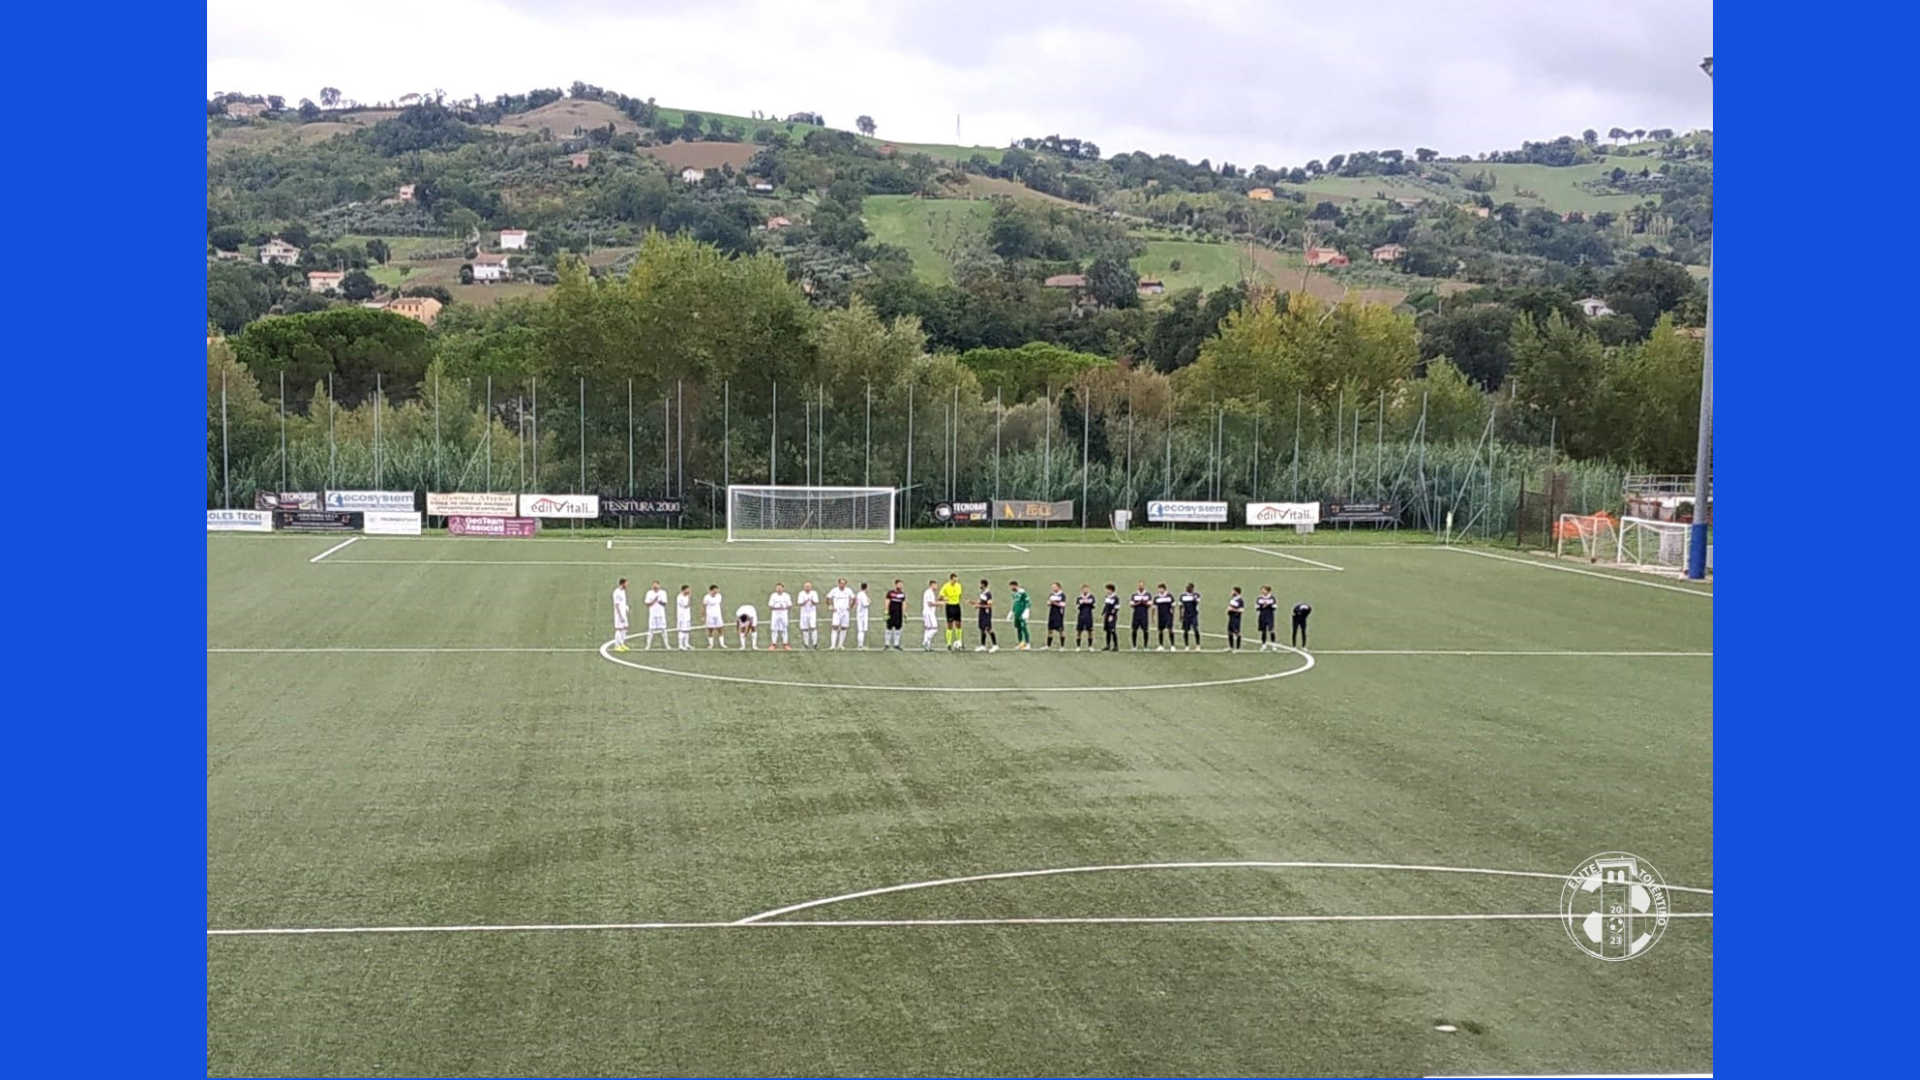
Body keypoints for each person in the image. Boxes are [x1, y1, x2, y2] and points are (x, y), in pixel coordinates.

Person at [939, 573, 966, 650]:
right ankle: (949, 643)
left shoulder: (958, 585)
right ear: (950, 579)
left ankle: (959, 642)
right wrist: (945, 599)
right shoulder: (946, 586)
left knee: (958, 624)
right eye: (954, 580)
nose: (955, 581)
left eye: (956, 580)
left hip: (957, 606)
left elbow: (959, 595)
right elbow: (940, 597)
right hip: (949, 606)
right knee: (950, 625)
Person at [826, 578, 854, 650]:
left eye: (844, 583)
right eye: (841, 583)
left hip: (845, 612)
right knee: (835, 627)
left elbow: (854, 598)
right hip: (837, 612)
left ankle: (840, 645)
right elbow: (828, 598)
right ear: (838, 583)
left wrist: (850, 606)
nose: (842, 585)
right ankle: (832, 645)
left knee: (844, 627)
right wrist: (830, 606)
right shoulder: (834, 590)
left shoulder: (848, 590)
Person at [973, 578, 999, 652]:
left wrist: (979, 606)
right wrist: (975, 603)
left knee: (988, 629)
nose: (980, 585)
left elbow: (989, 606)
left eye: (981, 584)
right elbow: (981, 602)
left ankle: (995, 645)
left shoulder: (988, 594)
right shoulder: (982, 592)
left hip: (986, 614)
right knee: (982, 629)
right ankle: (983, 645)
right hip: (981, 613)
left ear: (983, 585)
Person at [643, 580, 669, 650]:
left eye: (656, 586)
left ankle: (667, 645)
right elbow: (647, 604)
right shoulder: (649, 593)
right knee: (651, 630)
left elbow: (664, 603)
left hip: (661, 614)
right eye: (654, 586)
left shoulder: (663, 593)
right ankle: (648, 646)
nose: (655, 587)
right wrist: (654, 600)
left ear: (659, 586)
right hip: (653, 614)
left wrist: (659, 601)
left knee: (663, 629)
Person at [766, 583, 793, 650]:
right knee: (774, 628)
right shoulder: (773, 595)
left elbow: (789, 605)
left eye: (780, 588)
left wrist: (783, 606)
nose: (779, 589)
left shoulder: (787, 595)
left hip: (784, 613)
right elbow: (770, 605)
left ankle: (785, 644)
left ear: (783, 588)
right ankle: (773, 644)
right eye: (777, 588)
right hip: (775, 614)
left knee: (784, 628)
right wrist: (777, 606)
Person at [796, 580, 821, 649]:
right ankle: (806, 643)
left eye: (809, 586)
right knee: (805, 628)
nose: (807, 588)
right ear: (804, 587)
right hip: (804, 613)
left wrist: (812, 601)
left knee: (813, 627)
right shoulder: (801, 593)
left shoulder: (814, 593)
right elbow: (800, 603)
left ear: (811, 587)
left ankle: (815, 643)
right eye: (806, 586)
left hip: (812, 613)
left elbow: (816, 603)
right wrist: (805, 601)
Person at [1179, 582, 1202, 651]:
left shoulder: (1196, 595)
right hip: (1186, 615)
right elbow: (1181, 606)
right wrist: (1181, 615)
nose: (1188, 588)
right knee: (1185, 631)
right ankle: (1186, 645)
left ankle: (1198, 645)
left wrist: (1193, 597)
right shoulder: (1182, 596)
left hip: (1193, 614)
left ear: (1192, 588)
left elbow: (1197, 603)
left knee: (1195, 629)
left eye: (1189, 587)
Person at [885, 580, 907, 650]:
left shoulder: (902, 594)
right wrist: (886, 612)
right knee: (889, 628)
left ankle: (896, 644)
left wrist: (904, 613)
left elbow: (904, 604)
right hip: (891, 613)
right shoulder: (890, 593)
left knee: (898, 628)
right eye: (899, 584)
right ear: (896, 585)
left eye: (901, 584)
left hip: (898, 614)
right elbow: (887, 602)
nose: (900, 586)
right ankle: (887, 644)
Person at [1129, 582, 1152, 650]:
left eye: (1142, 585)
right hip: (1136, 615)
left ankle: (1145, 646)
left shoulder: (1148, 595)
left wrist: (1143, 603)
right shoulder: (1134, 595)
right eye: (1139, 585)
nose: (1140, 587)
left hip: (1144, 615)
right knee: (1134, 630)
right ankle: (1134, 646)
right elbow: (1131, 604)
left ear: (1144, 586)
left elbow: (1150, 604)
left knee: (1145, 630)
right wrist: (1139, 603)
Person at [1010, 580, 1032, 651]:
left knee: (1024, 628)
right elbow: (1015, 603)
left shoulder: (1022, 592)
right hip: (1017, 613)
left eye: (1012, 586)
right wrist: (1012, 612)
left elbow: (1028, 601)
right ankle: (1021, 643)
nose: (1011, 588)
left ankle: (1028, 644)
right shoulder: (1013, 593)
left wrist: (1027, 610)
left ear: (1015, 585)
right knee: (1018, 628)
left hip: (1022, 613)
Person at [1153, 583, 1176, 651]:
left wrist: (1172, 612)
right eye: (1159, 588)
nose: (1159, 590)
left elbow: (1173, 605)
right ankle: (1161, 645)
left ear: (1164, 589)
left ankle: (1172, 645)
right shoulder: (1156, 598)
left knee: (1170, 630)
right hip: (1160, 616)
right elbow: (1154, 608)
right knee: (1160, 630)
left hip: (1168, 615)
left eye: (1160, 588)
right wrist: (1153, 616)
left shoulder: (1169, 596)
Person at [1044, 582, 1067, 650]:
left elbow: (1063, 604)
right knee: (1050, 630)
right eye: (1052, 587)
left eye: (1054, 587)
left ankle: (1062, 646)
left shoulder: (1062, 595)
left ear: (1058, 587)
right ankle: (1048, 646)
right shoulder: (1051, 594)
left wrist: (1054, 603)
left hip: (1059, 614)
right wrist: (1050, 603)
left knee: (1061, 630)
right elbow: (1048, 603)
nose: (1053, 588)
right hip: (1052, 613)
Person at [921, 579, 941, 651]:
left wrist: (940, 601)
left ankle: (927, 647)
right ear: (931, 585)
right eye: (935, 585)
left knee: (928, 629)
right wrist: (939, 604)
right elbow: (930, 603)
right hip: (929, 613)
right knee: (934, 628)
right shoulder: (928, 592)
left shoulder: (931, 592)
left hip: (929, 612)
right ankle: (925, 641)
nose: (936, 586)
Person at [611, 578, 631, 652]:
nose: (627, 585)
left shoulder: (623, 591)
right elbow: (616, 605)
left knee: (625, 628)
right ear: (622, 584)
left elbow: (622, 602)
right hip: (619, 614)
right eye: (626, 583)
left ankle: (622, 643)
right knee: (619, 629)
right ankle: (616, 646)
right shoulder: (617, 592)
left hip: (623, 613)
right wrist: (620, 616)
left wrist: (626, 607)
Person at [1256, 585, 1278, 651]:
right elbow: (1257, 607)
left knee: (1271, 630)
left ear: (1268, 591)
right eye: (1262, 590)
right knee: (1263, 630)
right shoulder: (1259, 598)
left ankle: (1273, 645)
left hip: (1270, 615)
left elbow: (1274, 607)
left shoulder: (1272, 598)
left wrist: (1268, 605)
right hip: (1262, 615)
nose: (1262, 591)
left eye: (1264, 590)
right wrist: (1262, 606)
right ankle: (1263, 645)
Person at [1075, 584, 1097, 651]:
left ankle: (1090, 646)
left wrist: (1087, 602)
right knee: (1079, 631)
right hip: (1081, 616)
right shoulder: (1079, 598)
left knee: (1090, 632)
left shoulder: (1091, 597)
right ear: (1082, 590)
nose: (1085, 590)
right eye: (1084, 589)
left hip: (1089, 616)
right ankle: (1078, 646)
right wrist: (1083, 603)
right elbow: (1077, 606)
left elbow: (1094, 606)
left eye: (1086, 589)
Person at [1225, 586, 1245, 652]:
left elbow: (1242, 610)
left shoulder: (1240, 600)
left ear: (1236, 592)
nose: (1231, 592)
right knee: (1230, 632)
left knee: (1237, 632)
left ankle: (1238, 648)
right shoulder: (1233, 599)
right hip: (1231, 617)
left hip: (1236, 618)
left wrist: (1232, 609)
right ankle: (1231, 647)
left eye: (1233, 591)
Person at [1101, 584, 1120, 651]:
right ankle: (1108, 645)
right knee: (1107, 631)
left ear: (1111, 590)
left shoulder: (1116, 598)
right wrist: (1103, 613)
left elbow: (1116, 608)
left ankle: (1116, 646)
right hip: (1107, 615)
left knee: (1112, 630)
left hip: (1112, 616)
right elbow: (1106, 606)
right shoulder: (1107, 597)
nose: (1106, 591)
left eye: (1107, 589)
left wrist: (1112, 615)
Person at [675, 584, 694, 651]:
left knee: (687, 630)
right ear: (684, 590)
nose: (689, 591)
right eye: (688, 589)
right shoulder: (680, 597)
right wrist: (689, 597)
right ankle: (680, 645)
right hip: (682, 616)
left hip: (687, 616)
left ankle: (686, 644)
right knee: (682, 630)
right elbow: (686, 605)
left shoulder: (686, 596)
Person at [856, 582, 873, 649]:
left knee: (861, 630)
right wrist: (869, 601)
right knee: (861, 630)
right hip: (862, 614)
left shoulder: (859, 594)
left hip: (860, 613)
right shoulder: (862, 595)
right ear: (866, 587)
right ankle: (860, 645)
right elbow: (865, 604)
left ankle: (860, 645)